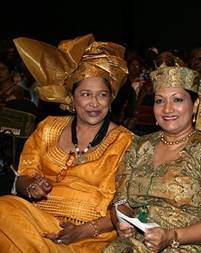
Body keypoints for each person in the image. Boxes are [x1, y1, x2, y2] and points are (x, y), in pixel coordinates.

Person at [0, 34, 134, 252]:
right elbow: (23, 176)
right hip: (36, 222)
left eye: (102, 95)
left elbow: (128, 207)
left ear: (111, 101)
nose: (94, 103)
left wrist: (84, 230)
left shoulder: (126, 142)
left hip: (89, 234)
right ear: (72, 99)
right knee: (4, 208)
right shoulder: (48, 127)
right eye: (85, 94)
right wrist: (31, 186)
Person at [103, 66, 201, 253]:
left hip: (190, 245)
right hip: (137, 243)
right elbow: (120, 202)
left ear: (195, 105)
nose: (167, 109)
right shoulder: (139, 146)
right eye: (160, 101)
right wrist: (121, 221)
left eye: (177, 100)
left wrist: (172, 236)